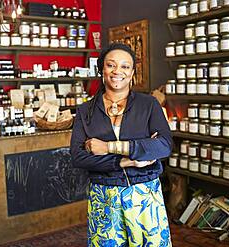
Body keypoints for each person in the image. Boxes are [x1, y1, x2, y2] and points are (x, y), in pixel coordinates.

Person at [70, 43, 172, 247]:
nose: (118, 71)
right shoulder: (85, 111)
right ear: (102, 70)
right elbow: (78, 157)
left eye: (125, 66)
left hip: (145, 195)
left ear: (132, 72)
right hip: (105, 196)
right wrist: (127, 161)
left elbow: (163, 146)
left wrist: (108, 148)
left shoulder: (149, 104)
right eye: (111, 65)